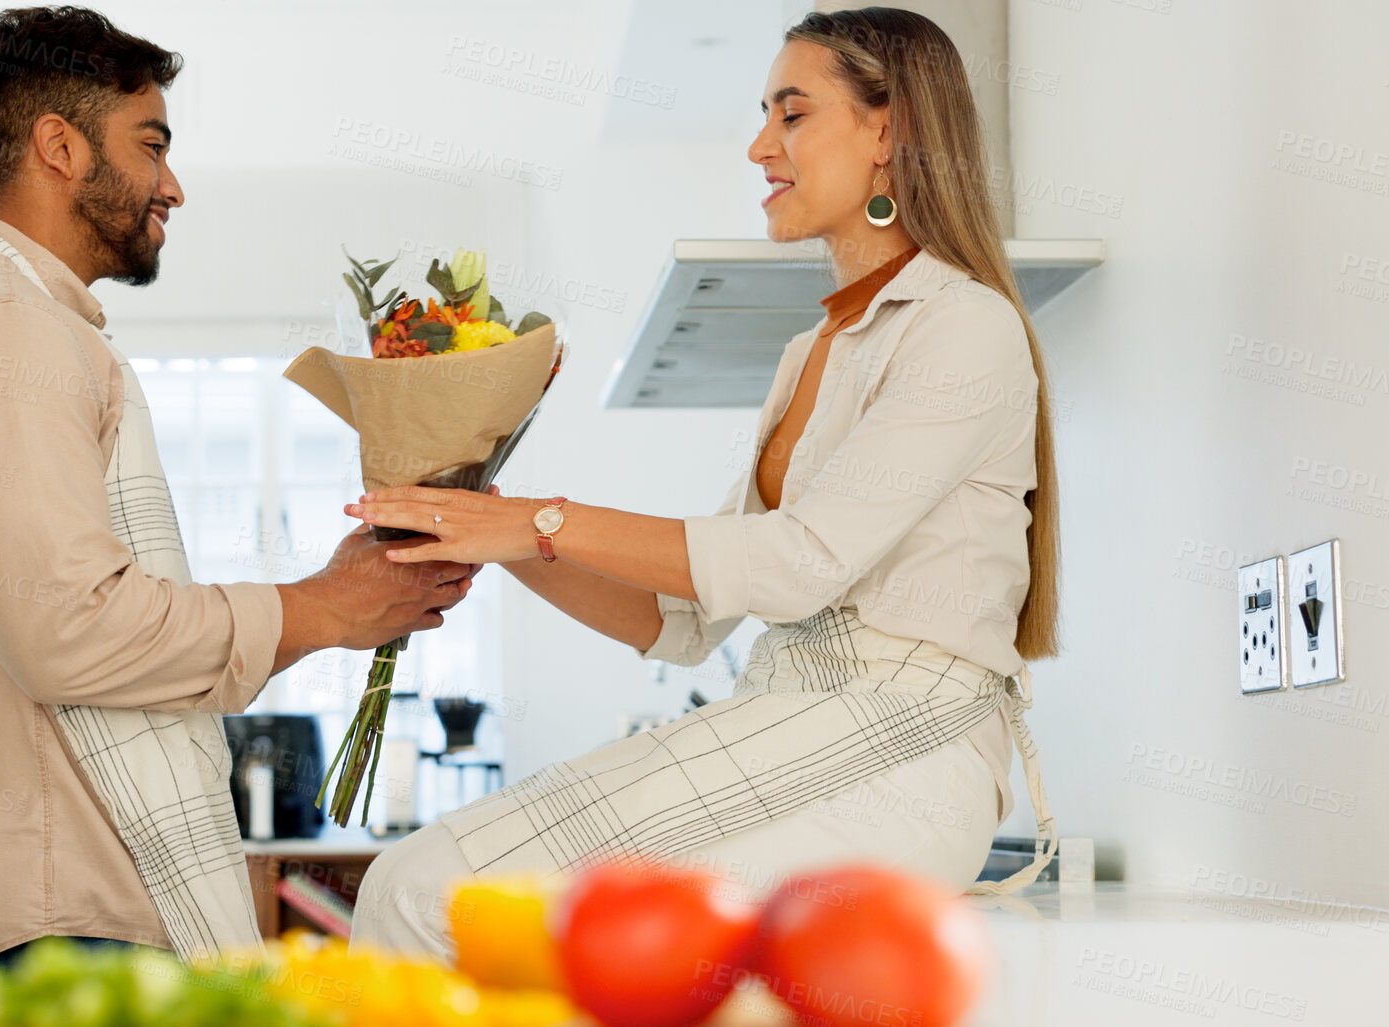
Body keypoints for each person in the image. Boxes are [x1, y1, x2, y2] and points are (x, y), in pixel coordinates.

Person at [347, 6, 1061, 960]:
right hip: (789, 715)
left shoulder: (961, 326)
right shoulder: (811, 349)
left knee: (429, 893)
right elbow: (683, 624)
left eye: (791, 114)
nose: (760, 144)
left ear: (887, 131)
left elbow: (797, 566)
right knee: (415, 886)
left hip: (901, 749)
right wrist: (482, 521)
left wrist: (536, 522)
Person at [0, 6, 477, 1007]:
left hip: (49, 887)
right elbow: (68, 631)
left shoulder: (2, 315)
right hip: (63, 905)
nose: (172, 186)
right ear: (59, 146)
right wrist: (323, 608)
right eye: (151, 146)